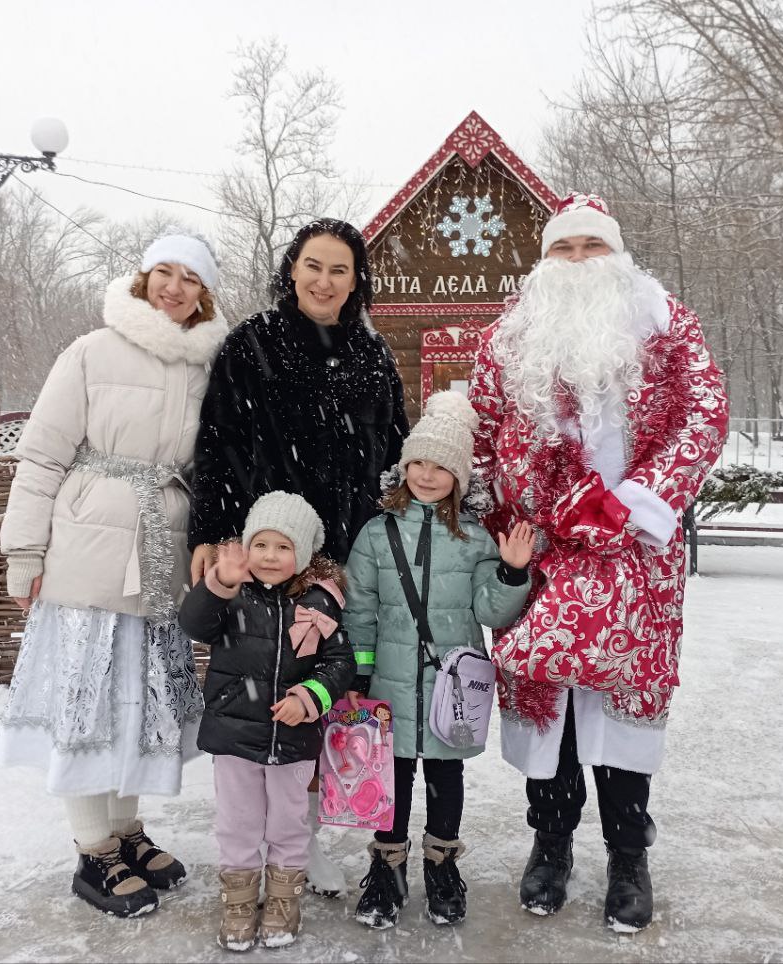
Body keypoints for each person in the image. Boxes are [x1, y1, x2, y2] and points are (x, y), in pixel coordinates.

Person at [468, 193, 729, 932]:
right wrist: (500, 517)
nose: (578, 260)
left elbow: (703, 413)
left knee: (622, 707)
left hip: (635, 554)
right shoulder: (508, 337)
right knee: (550, 706)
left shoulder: (666, 324)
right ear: (545, 260)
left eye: (592, 246)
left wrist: (637, 502)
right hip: (543, 552)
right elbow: (482, 435)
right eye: (564, 247)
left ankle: (627, 855)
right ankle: (550, 844)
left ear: (617, 254)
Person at [0, 235, 228, 918]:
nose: (174, 288)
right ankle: (93, 848)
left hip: (162, 550)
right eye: (163, 273)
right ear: (142, 278)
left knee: (138, 701)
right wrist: (24, 551)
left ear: (204, 293)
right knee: (89, 700)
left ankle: (126, 831)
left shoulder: (207, 365)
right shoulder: (91, 352)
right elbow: (42, 455)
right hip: (87, 549)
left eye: (190, 278)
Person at [188, 217, 410, 895]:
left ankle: (300, 838)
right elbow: (217, 444)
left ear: (357, 280)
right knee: (267, 694)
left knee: (324, 693)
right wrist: (211, 532)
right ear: (292, 269)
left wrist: (390, 535)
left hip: (341, 555)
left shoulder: (372, 356)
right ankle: (253, 844)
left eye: (340, 269)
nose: (324, 280)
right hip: (271, 555)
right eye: (313, 265)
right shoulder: (251, 343)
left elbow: (393, 454)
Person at [341, 391, 534, 928]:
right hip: (389, 682)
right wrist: (360, 673)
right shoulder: (376, 533)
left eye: (441, 466)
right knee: (393, 777)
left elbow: (490, 610)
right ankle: (388, 866)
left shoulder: (474, 539)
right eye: (419, 463)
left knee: (446, 776)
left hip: (454, 686)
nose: (427, 475)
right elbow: (360, 609)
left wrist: (512, 572)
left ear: (459, 477)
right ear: (404, 467)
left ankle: (442, 863)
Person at [179, 491, 356, 951]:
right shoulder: (232, 594)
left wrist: (310, 696)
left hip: (292, 741)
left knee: (288, 823)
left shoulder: (319, 602)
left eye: (283, 546)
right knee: (237, 822)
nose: (270, 556)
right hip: (234, 738)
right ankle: (239, 902)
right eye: (260, 545)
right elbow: (194, 624)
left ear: (304, 553)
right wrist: (220, 583)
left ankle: (282, 900)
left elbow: (339, 663)